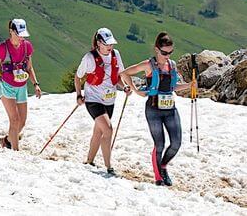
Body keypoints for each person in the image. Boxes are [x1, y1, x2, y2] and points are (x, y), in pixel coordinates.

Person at [120, 32, 193, 186]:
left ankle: (164, 166)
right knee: (159, 144)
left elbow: (172, 87)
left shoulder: (172, 65)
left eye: (170, 52)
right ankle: (158, 177)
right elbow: (125, 73)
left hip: (170, 109)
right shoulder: (148, 65)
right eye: (164, 52)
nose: (167, 56)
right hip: (153, 110)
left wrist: (189, 85)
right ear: (156, 49)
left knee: (176, 143)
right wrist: (135, 89)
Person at [74, 28, 131, 175]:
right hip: (93, 99)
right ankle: (109, 167)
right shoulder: (89, 58)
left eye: (111, 44)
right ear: (99, 43)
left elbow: (117, 76)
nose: (110, 47)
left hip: (110, 99)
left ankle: (89, 161)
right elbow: (78, 76)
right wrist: (79, 95)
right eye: (107, 44)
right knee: (108, 129)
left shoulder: (115, 55)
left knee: (98, 132)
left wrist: (124, 86)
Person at [0, 19, 41, 151]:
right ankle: (16, 151)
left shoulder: (27, 46)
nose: (21, 37)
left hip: (22, 86)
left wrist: (36, 84)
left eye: (22, 34)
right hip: (7, 86)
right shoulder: (3, 48)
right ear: (11, 31)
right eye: (18, 33)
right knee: (14, 120)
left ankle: (6, 140)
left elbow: (29, 68)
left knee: (22, 122)